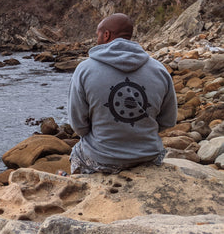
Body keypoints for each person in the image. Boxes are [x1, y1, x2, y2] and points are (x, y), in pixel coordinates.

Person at [68, 13, 177, 174]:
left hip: (102, 160)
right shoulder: (159, 69)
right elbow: (168, 121)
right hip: (149, 157)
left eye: (97, 34)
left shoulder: (84, 70)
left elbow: (79, 126)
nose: (96, 38)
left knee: (76, 152)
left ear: (106, 35)